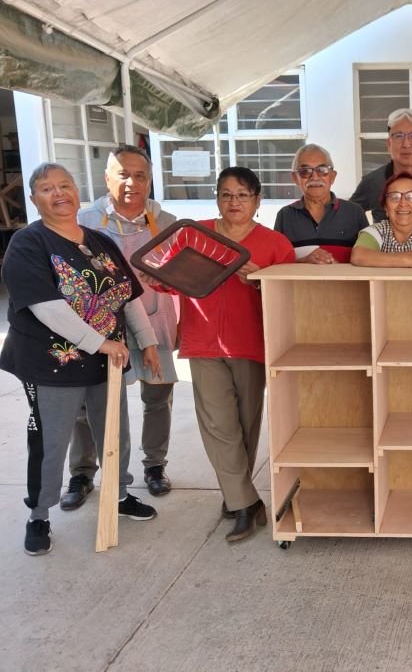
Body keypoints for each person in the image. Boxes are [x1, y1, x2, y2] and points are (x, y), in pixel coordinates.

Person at [0, 163, 159, 555]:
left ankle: (118, 495)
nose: (59, 194)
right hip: (51, 364)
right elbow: (46, 308)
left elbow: (127, 297)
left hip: (107, 361)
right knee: (51, 441)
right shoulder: (27, 243)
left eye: (65, 185)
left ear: (76, 190)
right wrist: (100, 343)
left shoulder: (99, 241)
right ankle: (39, 515)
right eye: (47, 188)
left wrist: (148, 341)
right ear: (34, 199)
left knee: (114, 432)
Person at [148, 167, 294, 542]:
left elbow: (290, 298)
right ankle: (245, 503)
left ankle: (236, 496)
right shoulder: (194, 235)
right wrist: (154, 278)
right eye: (226, 194)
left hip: (253, 344)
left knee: (245, 424)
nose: (234, 202)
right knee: (218, 426)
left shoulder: (276, 244)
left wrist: (261, 280)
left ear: (257, 201)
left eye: (243, 195)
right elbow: (171, 281)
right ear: (216, 198)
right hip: (204, 342)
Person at [60, 146, 179, 512]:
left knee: (157, 396)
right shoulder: (83, 221)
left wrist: (164, 277)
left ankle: (154, 465)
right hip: (98, 328)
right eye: (123, 174)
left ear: (150, 181)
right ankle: (82, 473)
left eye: (140, 175)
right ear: (106, 178)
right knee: (87, 404)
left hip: (154, 318)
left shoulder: (166, 222)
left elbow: (180, 273)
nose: (132, 183)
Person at [274, 144, 368, 264]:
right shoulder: (285, 215)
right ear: (295, 178)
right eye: (305, 171)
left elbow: (368, 257)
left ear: (332, 176)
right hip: (301, 277)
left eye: (322, 170)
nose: (314, 177)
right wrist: (303, 260)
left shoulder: (354, 212)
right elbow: (277, 261)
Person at [350, 173, 412, 268]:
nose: (403, 203)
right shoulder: (376, 230)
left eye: (411, 196)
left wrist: (381, 260)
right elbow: (359, 255)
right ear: (386, 207)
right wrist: (410, 261)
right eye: (395, 197)